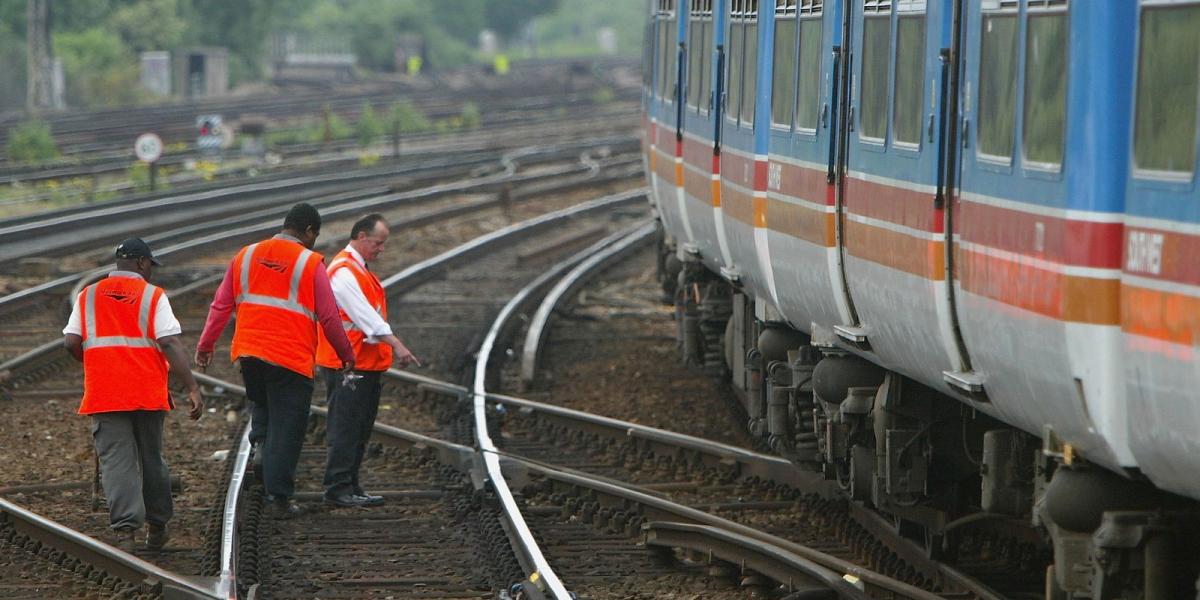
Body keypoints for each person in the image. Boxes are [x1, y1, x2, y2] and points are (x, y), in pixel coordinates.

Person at [194, 203, 355, 517]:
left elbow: (220, 305)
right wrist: (345, 353)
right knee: (288, 425)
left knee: (263, 404)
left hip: (250, 353)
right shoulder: (309, 263)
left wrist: (205, 345)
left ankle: (260, 448)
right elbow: (329, 316)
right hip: (290, 357)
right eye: (314, 236)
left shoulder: (247, 255)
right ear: (309, 231)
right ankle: (279, 497)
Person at [63, 238, 204, 551]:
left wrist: (96, 364)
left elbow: (71, 342)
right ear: (142, 263)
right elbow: (169, 342)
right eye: (150, 266)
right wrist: (191, 386)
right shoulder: (152, 296)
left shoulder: (88, 295)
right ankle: (157, 526)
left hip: (105, 392)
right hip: (147, 391)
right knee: (151, 458)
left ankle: (126, 532)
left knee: (117, 461)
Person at [315, 214, 419, 508]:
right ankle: (337, 487)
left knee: (360, 427)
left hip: (364, 363)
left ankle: (351, 484)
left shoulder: (359, 269)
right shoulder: (343, 272)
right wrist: (396, 344)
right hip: (347, 365)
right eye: (378, 242)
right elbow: (365, 317)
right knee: (346, 426)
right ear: (361, 236)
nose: (381, 249)